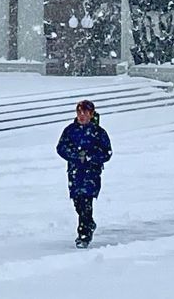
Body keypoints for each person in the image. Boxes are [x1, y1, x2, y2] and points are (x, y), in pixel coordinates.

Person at [56, 99, 113, 247]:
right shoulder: (70, 130)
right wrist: (75, 155)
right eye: (79, 112)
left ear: (91, 114)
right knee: (78, 203)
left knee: (86, 203)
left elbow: (107, 152)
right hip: (75, 173)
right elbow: (61, 148)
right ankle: (89, 224)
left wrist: (91, 157)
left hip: (91, 175)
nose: (81, 115)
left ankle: (84, 235)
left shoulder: (98, 132)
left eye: (85, 112)